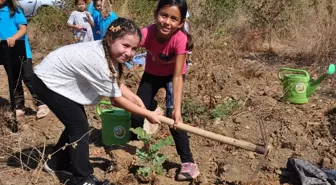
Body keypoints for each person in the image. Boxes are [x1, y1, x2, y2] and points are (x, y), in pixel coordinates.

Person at [33, 18, 161, 185]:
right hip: (48, 82)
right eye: (126, 45)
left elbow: (115, 81)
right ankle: (83, 179)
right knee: (79, 127)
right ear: (110, 39)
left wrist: (134, 97)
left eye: (134, 48)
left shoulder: (107, 52)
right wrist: (148, 114)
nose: (129, 52)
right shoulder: (99, 59)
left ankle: (57, 162)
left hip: (57, 79)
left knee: (77, 124)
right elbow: (116, 100)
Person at [130, 0, 200, 181]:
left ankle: (188, 162)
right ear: (156, 14)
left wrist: (177, 108)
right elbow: (128, 47)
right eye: (164, 15)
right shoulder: (146, 33)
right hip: (151, 74)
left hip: (172, 77)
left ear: (181, 22)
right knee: (136, 110)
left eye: (174, 19)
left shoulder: (180, 39)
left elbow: (177, 76)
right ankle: (136, 146)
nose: (167, 22)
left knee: (173, 119)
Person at [0, 0, 49, 118]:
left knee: (28, 76)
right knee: (14, 79)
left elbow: (23, 28)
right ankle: (19, 105)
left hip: (21, 50)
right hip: (5, 51)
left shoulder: (14, 10)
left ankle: (42, 103)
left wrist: (13, 38)